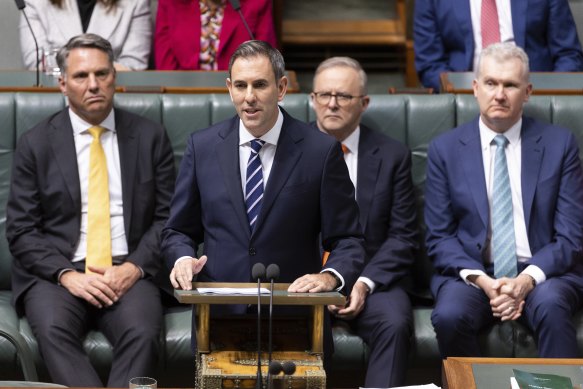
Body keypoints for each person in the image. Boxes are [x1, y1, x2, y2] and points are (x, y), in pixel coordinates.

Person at [6, 33, 175, 386]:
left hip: (129, 270)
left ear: (115, 76)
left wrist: (132, 268)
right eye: (82, 76)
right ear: (63, 83)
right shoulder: (35, 144)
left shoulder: (149, 137)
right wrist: (68, 276)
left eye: (102, 73)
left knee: (142, 333)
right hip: (59, 274)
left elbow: (168, 219)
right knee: (52, 330)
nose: (94, 84)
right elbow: (21, 230)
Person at [161, 40, 364, 328]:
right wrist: (182, 258)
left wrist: (330, 276)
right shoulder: (202, 146)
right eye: (241, 86)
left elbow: (348, 239)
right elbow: (178, 229)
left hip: (295, 315)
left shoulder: (320, 151)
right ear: (229, 88)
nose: (249, 97)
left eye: (260, 85)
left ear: (281, 88)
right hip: (218, 316)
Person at [425, 42, 583, 358]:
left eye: (510, 85)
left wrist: (526, 280)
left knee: (552, 306)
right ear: (475, 88)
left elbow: (571, 236)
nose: (500, 94)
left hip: (542, 272)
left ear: (527, 92)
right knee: (449, 315)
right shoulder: (445, 149)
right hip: (475, 273)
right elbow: (440, 238)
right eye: (491, 83)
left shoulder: (559, 144)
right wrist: (485, 282)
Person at [311, 57, 418, 387]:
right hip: (307, 279)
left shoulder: (392, 156)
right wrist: (323, 283)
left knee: (395, 323)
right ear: (311, 99)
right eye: (324, 95)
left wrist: (363, 283)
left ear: (364, 103)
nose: (332, 103)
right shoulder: (288, 150)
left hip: (374, 279)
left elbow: (403, 236)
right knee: (298, 324)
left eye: (343, 96)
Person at [414, 0, 583, 92]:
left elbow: (568, 54)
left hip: (533, 96)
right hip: (465, 97)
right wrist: (465, 96)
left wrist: (541, 95)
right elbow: (429, 63)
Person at [19, 0, 152, 71]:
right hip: (54, 96)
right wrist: (101, 69)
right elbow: (36, 61)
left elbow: (134, 65)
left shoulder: (135, 2)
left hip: (112, 98)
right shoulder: (35, 2)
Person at [154, 0, 277, 70]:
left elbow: (266, 64)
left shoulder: (257, 3)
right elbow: (166, 69)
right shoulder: (170, 3)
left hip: (240, 96)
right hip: (182, 95)